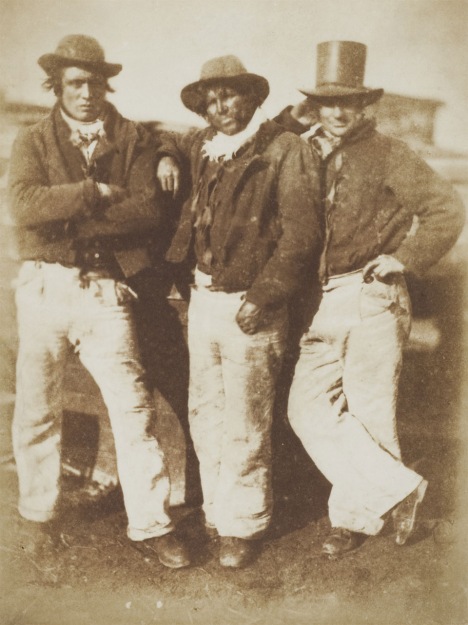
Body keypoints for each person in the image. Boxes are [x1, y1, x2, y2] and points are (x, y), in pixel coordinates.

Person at [275, 40, 465, 556]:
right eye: (326, 101)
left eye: (348, 102)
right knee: (306, 408)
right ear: (313, 106)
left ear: (364, 106)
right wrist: (291, 119)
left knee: (370, 411)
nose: (337, 111)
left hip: (371, 294)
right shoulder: (307, 148)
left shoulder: (389, 154)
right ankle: (399, 491)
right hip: (321, 298)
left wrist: (404, 258)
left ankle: (352, 521)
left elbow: (445, 209)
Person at [8, 34, 190, 569]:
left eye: (95, 83)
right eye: (75, 84)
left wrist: (66, 211)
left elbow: (148, 212)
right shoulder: (34, 139)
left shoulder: (131, 138)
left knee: (133, 410)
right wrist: (93, 193)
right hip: (44, 285)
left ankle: (153, 524)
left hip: (107, 288)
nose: (87, 93)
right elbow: (22, 204)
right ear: (57, 86)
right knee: (37, 408)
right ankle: (38, 515)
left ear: (106, 85)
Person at [156, 55, 321, 567]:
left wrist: (264, 297)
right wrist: (164, 154)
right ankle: (217, 513)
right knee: (205, 412)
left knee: (247, 419)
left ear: (251, 98)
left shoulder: (286, 149)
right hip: (204, 299)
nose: (220, 106)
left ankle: (244, 525)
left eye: (230, 95)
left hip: (252, 305)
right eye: (211, 98)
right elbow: (160, 137)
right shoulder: (203, 147)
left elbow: (302, 234)